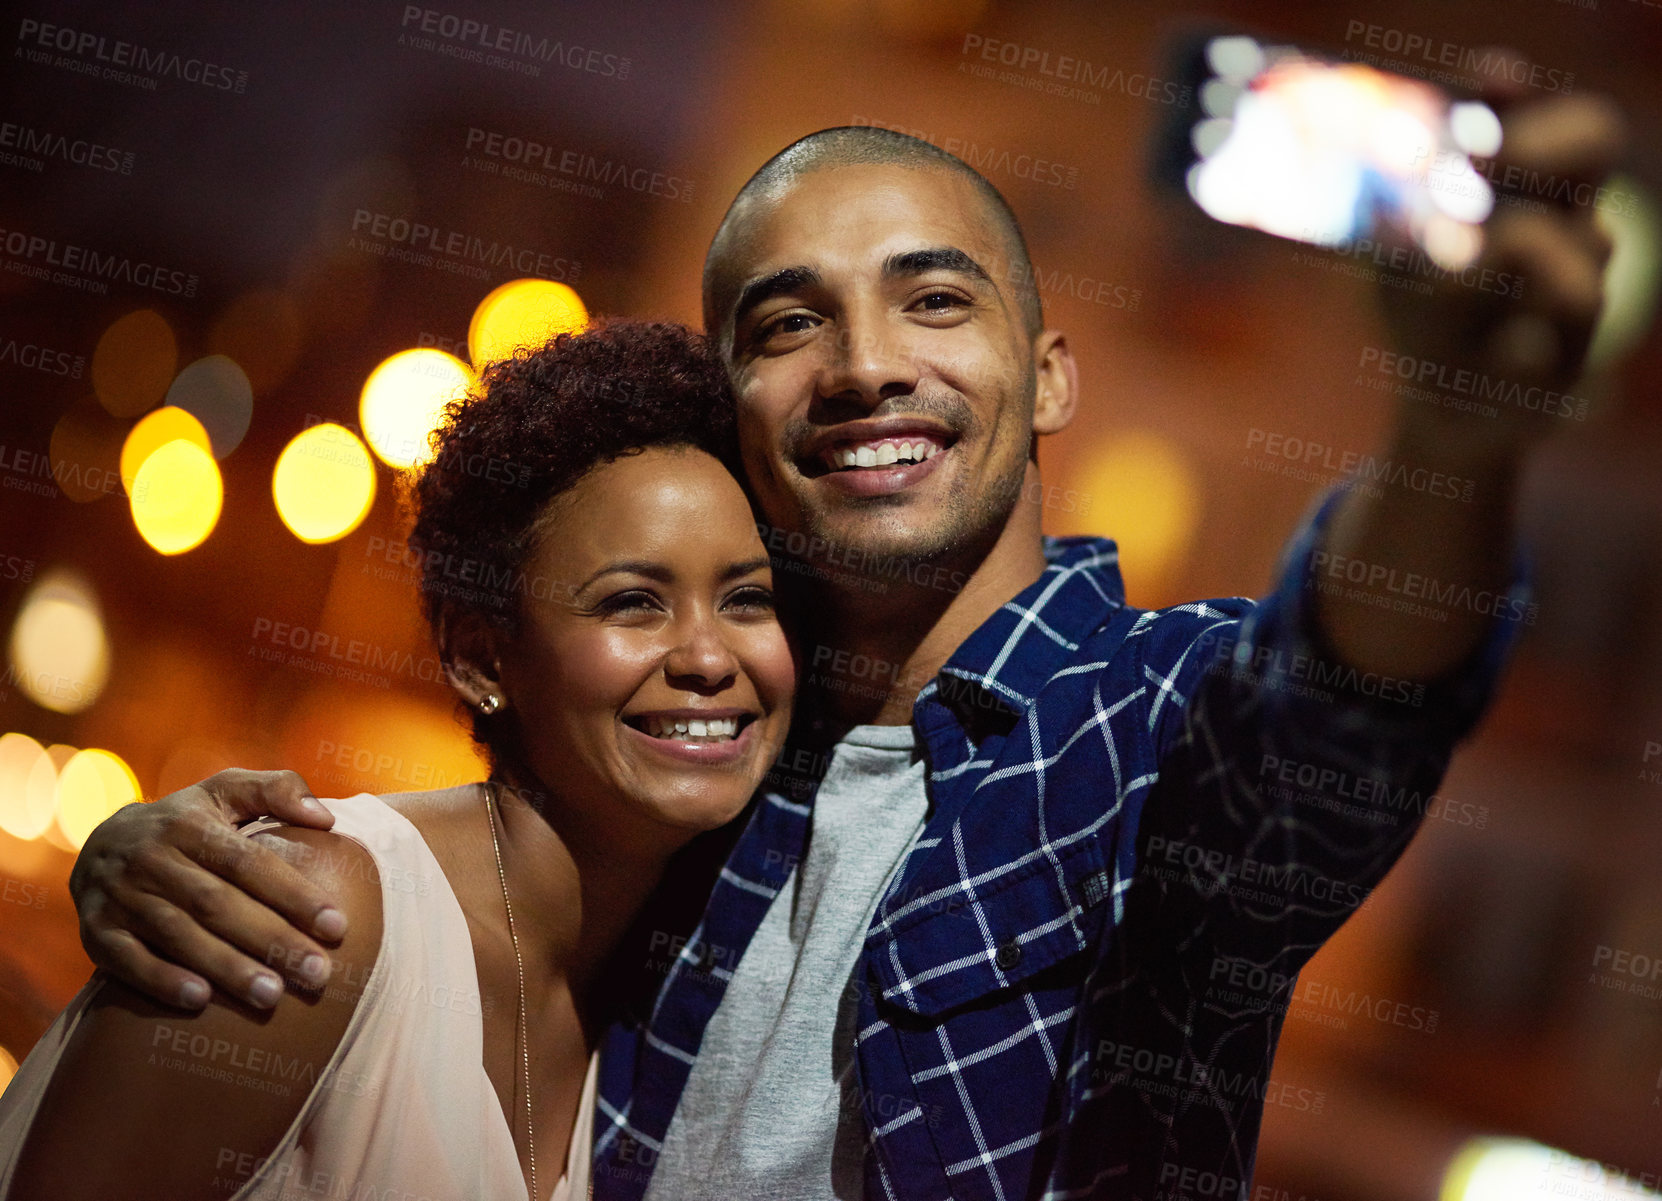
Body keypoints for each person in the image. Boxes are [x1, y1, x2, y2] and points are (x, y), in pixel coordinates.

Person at [63, 75, 1623, 1201]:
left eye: (935, 302)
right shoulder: (706, 747)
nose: (865, 363)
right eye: (788, 321)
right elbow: (464, 896)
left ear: (1053, 379)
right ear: (732, 407)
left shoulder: (1144, 729)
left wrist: (1458, 433)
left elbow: (1338, 699)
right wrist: (152, 856)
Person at [0, 321, 796, 1201]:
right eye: (634, 602)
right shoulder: (311, 916)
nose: (709, 656)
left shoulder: (672, 997)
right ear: (482, 660)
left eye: (747, 598)